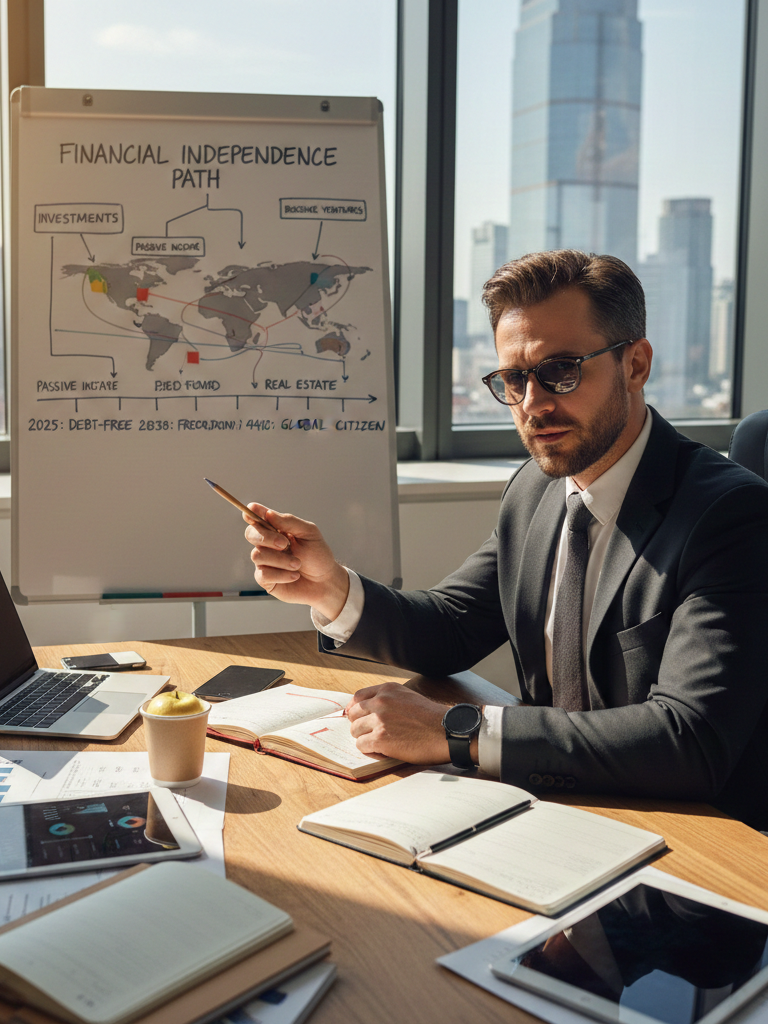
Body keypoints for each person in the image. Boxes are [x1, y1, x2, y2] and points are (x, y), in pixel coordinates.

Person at [244, 250, 768, 831]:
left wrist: (459, 731)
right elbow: (450, 627)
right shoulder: (536, 491)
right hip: (550, 808)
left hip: (691, 831)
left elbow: (690, 739)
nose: (533, 404)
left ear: (636, 364)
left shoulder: (730, 515)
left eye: (561, 370)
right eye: (514, 378)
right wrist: (333, 589)